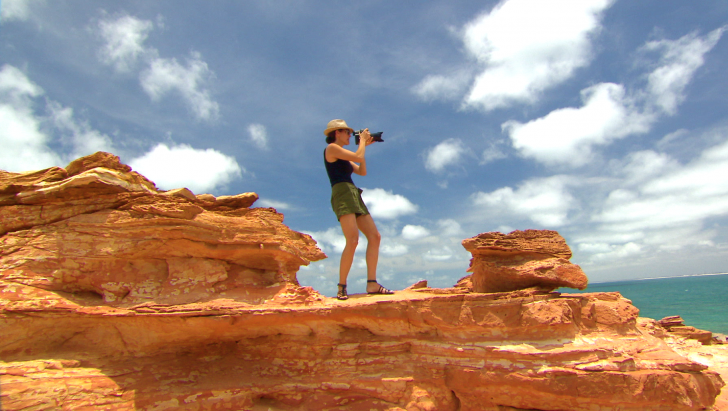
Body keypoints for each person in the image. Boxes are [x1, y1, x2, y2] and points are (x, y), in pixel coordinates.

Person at [323, 119, 394, 300]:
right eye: (347, 132)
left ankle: (372, 283)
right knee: (352, 240)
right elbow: (356, 156)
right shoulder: (332, 148)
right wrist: (362, 143)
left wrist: (364, 148)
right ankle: (342, 286)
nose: (350, 135)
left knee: (374, 236)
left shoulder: (344, 154)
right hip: (342, 192)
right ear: (337, 133)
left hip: (353, 192)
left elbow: (362, 171)